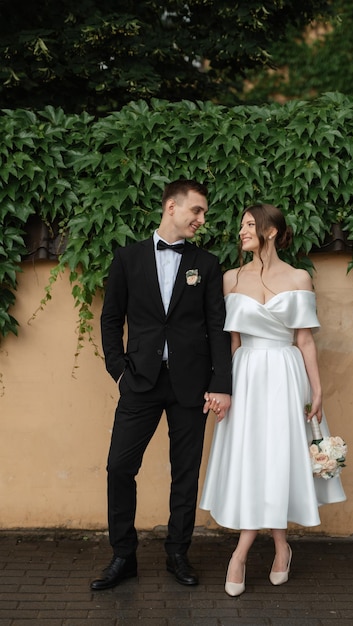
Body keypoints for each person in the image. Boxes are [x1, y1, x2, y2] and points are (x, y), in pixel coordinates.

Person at [91, 179, 232, 591]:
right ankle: (123, 555)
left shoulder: (206, 264)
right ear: (172, 206)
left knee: (185, 472)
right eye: (197, 211)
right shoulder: (127, 258)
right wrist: (118, 370)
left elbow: (216, 327)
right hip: (140, 382)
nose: (201, 219)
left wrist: (220, 383)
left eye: (203, 213)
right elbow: (111, 318)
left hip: (192, 385)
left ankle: (177, 553)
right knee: (119, 467)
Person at [200, 203, 345, 597]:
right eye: (241, 224)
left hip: (285, 373)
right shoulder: (230, 279)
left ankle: (243, 552)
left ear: (270, 231)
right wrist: (223, 389)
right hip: (245, 374)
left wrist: (317, 391)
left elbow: (304, 338)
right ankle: (276, 546)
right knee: (252, 460)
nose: (242, 230)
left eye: (249, 224)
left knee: (278, 458)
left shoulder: (299, 277)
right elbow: (228, 342)